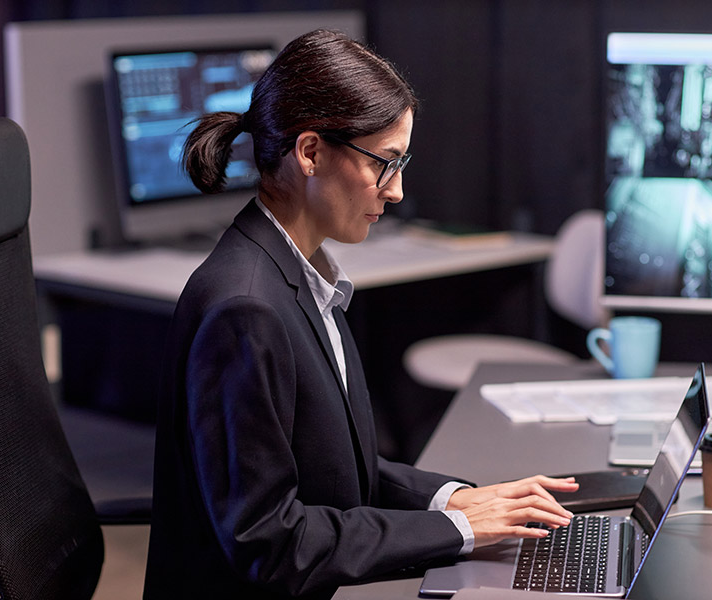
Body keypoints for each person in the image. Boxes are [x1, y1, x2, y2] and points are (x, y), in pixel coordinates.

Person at [143, 29, 578, 600]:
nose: (396, 191)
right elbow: (269, 543)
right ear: (311, 153)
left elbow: (333, 469)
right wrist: (459, 531)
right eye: (385, 163)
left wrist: (455, 500)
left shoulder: (300, 273)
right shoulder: (246, 310)